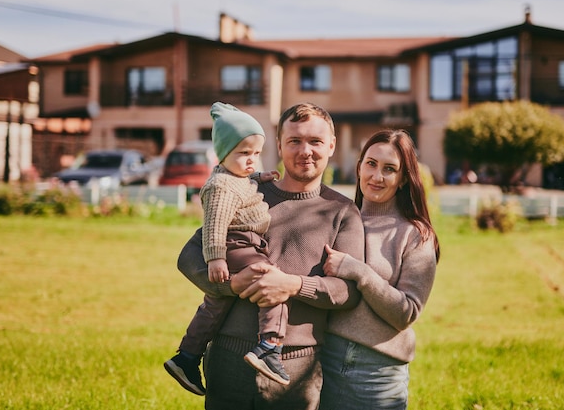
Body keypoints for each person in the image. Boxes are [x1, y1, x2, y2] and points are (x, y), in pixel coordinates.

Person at [176, 102, 365, 409]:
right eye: (295, 141)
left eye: (315, 141)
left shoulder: (342, 212)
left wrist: (293, 285)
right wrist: (231, 285)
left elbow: (349, 293)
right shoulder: (245, 193)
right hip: (227, 356)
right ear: (278, 145)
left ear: (332, 145)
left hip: (295, 367)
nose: (305, 150)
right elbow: (189, 257)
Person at [165, 102, 289, 395]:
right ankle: (269, 345)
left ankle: (187, 357)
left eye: (256, 154)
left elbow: (243, 183)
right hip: (237, 244)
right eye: (244, 153)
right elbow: (215, 224)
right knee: (272, 281)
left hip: (237, 245)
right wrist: (216, 258)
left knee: (215, 303)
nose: (251, 161)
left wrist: (261, 178)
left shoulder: (234, 178)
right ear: (223, 152)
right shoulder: (221, 186)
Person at [319, 129, 440, 410]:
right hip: (324, 358)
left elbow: (406, 313)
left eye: (389, 169)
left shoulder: (415, 235)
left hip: (377, 373)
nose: (377, 176)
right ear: (359, 166)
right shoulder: (336, 219)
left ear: (402, 179)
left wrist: (359, 272)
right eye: (371, 164)